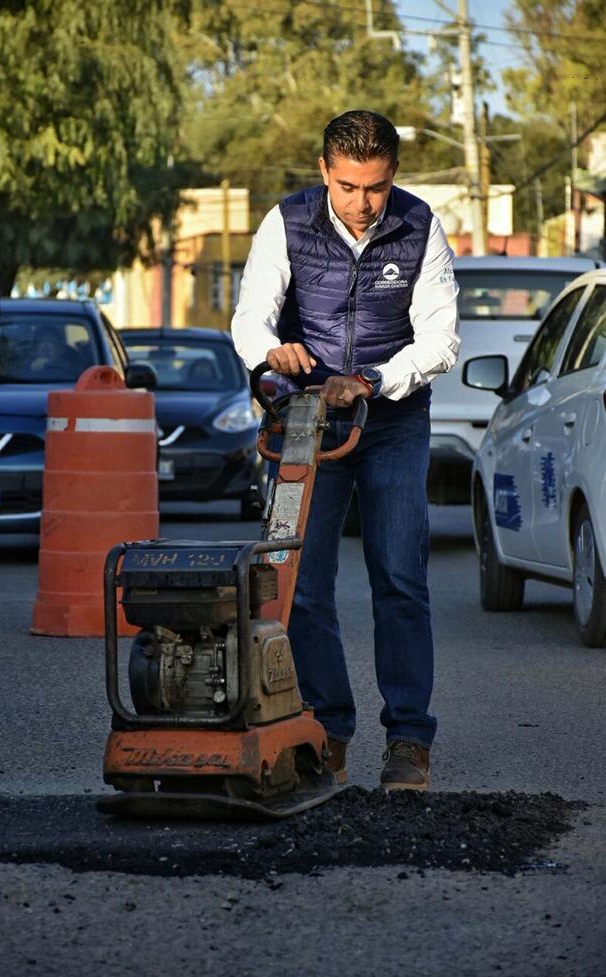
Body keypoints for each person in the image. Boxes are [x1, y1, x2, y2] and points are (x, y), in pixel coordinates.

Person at [231, 110, 459, 791]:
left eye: (376, 188)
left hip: (390, 420)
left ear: (393, 177)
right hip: (305, 419)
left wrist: (372, 380)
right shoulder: (286, 221)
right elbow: (249, 317)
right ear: (323, 173)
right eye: (348, 187)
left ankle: (409, 739)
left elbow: (440, 340)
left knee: (399, 577)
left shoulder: (419, 225)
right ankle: (326, 728)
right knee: (301, 583)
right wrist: (268, 354)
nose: (362, 204)